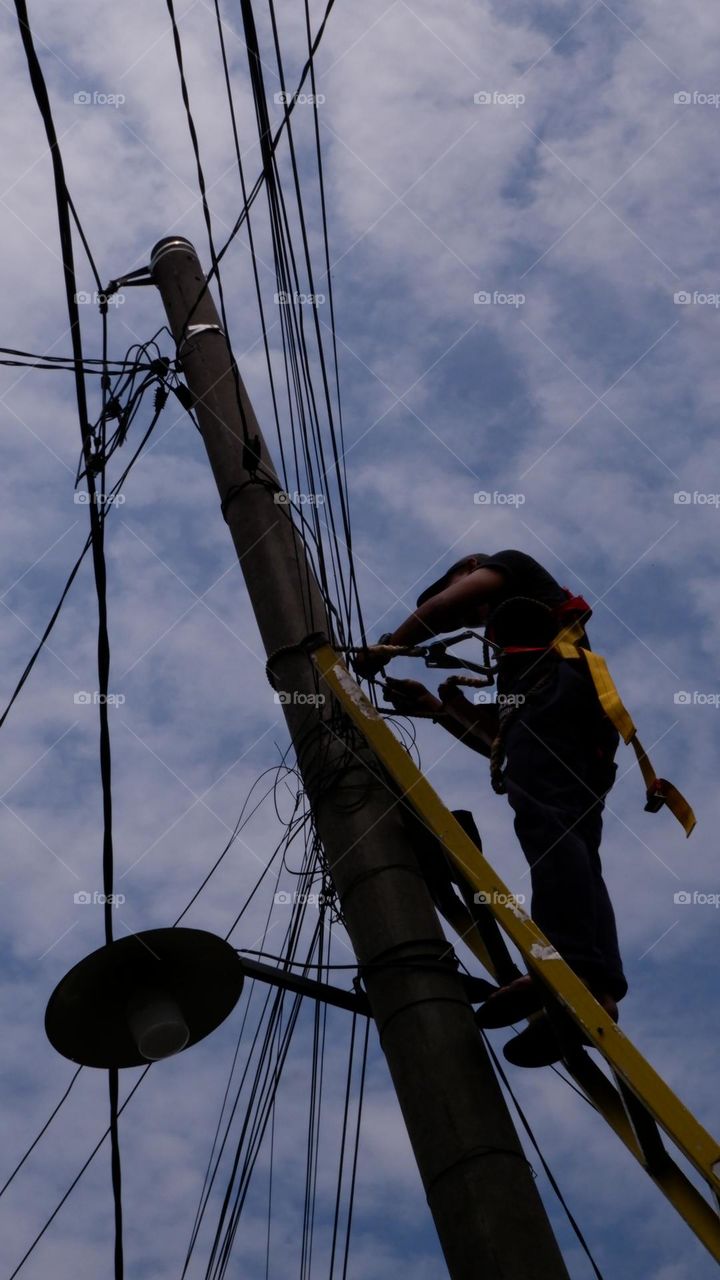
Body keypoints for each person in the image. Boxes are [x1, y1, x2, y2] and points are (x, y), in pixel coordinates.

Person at [354, 550, 627, 1067]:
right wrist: (435, 711)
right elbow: (501, 744)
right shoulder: (522, 669)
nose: (471, 620)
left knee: (548, 828)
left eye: (468, 611)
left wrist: (384, 648)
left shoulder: (511, 567)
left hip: (564, 702)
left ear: (471, 566)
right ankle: (595, 992)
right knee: (572, 846)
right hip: (578, 733)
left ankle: (568, 965)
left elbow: (440, 608)